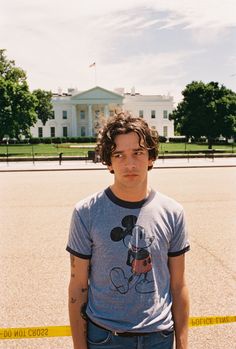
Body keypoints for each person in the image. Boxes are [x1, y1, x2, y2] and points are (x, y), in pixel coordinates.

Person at [66, 112, 190, 349]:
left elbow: (178, 285)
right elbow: (78, 286)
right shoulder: (86, 212)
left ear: (151, 158)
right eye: (119, 155)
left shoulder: (173, 212)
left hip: (159, 337)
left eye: (138, 153)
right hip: (105, 338)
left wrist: (183, 344)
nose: (130, 164)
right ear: (108, 162)